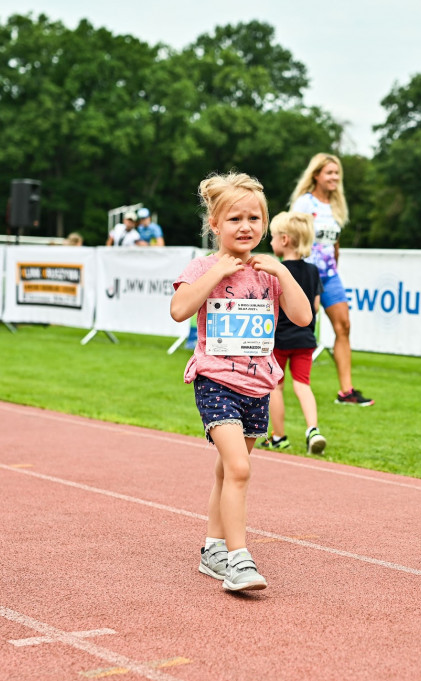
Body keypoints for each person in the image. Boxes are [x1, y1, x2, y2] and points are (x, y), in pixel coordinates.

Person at [170, 171, 312, 592]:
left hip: (257, 385)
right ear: (215, 225)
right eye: (234, 219)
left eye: (254, 218)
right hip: (215, 381)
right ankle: (238, 559)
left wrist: (283, 274)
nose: (245, 226)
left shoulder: (270, 271)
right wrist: (216, 274)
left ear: (265, 224)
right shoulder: (201, 266)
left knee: (226, 471)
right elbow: (179, 310)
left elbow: (303, 319)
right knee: (239, 467)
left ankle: (212, 548)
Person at [290, 153, 373, 406]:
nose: (334, 177)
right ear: (316, 175)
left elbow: (335, 242)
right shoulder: (304, 203)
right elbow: (291, 235)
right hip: (306, 274)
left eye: (337, 173)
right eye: (329, 172)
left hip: (330, 275)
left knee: (344, 326)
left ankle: (346, 392)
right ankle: (282, 385)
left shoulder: (337, 207)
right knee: (299, 331)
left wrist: (335, 263)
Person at [260, 211, 327, 455]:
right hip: (305, 338)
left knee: (276, 387)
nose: (271, 241)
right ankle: (313, 429)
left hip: (278, 339)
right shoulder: (312, 271)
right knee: (303, 384)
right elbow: (316, 306)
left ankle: (279, 436)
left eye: (274, 237)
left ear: (285, 240)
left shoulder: (274, 270)